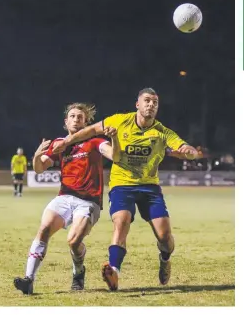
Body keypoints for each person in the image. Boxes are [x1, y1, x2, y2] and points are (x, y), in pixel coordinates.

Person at [52, 88, 201, 291]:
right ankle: (114, 272)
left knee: (164, 238)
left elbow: (187, 149)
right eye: (147, 101)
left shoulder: (162, 132)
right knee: (121, 223)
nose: (151, 105)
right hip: (122, 185)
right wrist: (68, 140)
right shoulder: (119, 120)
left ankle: (165, 259)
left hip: (149, 187)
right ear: (137, 104)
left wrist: (190, 153)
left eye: (155, 102)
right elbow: (92, 130)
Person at [14, 103, 119, 295]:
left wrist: (113, 138)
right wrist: (37, 155)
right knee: (44, 229)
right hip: (64, 197)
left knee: (73, 242)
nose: (76, 120)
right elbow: (39, 168)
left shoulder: (95, 142)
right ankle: (29, 280)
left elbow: (113, 155)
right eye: (73, 116)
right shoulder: (59, 144)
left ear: (87, 123)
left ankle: (78, 271)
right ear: (66, 121)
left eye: (80, 117)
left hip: (88, 202)